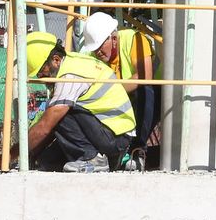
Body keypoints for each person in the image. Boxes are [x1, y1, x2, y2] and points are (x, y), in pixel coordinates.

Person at [12, 30, 135, 172]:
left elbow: (46, 126)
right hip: (110, 135)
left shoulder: (69, 76)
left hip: (115, 139)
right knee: (46, 161)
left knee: (59, 112)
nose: (40, 76)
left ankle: (91, 159)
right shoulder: (72, 61)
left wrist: (10, 155)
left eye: (41, 71)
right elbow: (51, 130)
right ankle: (92, 158)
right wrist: (30, 154)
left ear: (56, 60)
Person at [80, 13, 160, 154]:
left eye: (99, 46)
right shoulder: (90, 55)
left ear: (114, 39)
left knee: (146, 90)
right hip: (117, 99)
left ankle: (137, 149)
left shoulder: (133, 39)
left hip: (147, 96)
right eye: (94, 48)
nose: (97, 52)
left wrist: (111, 92)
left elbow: (145, 76)